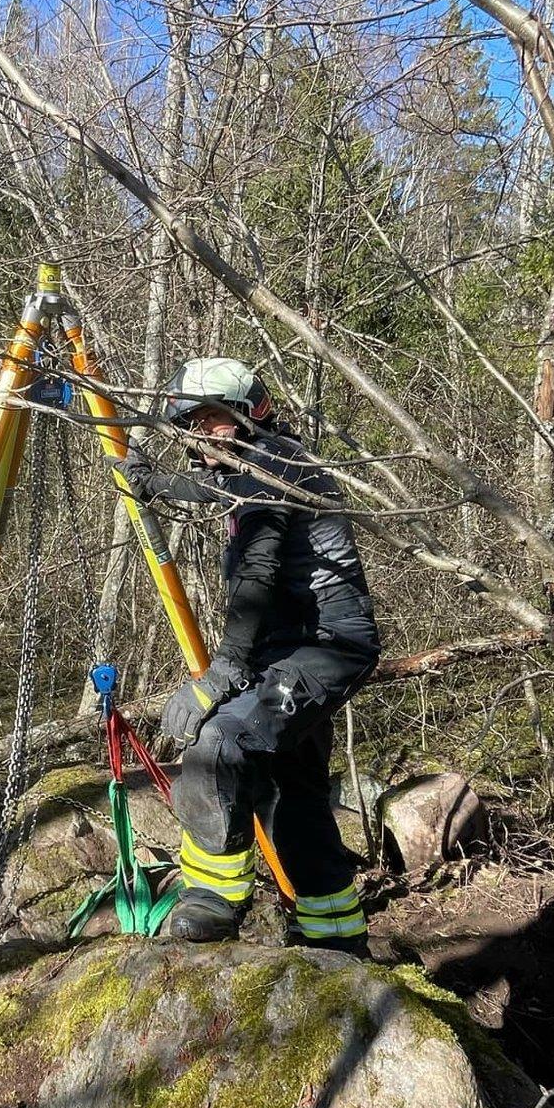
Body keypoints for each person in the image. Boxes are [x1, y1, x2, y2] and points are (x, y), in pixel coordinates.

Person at [126, 358, 381, 950]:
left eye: (208, 419)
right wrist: (149, 480)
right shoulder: (263, 465)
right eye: (188, 425)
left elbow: (258, 574)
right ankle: (336, 934)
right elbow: (210, 489)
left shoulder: (274, 467)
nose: (197, 435)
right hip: (294, 646)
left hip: (323, 643)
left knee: (220, 740)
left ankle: (214, 896)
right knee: (294, 791)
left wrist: (222, 673)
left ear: (249, 414)